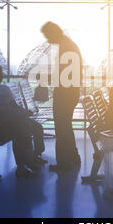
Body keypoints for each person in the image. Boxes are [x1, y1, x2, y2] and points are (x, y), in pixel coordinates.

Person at [0, 64, 46, 175]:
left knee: (33, 127)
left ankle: (30, 159)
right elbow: (12, 106)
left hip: (10, 120)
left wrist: (24, 113)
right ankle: (27, 162)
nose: (1, 75)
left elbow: (13, 106)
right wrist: (24, 113)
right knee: (24, 131)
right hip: (1, 123)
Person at [40, 21, 82, 171]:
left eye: (46, 35)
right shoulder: (69, 44)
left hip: (65, 93)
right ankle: (73, 157)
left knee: (61, 127)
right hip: (71, 92)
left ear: (53, 33)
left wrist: (43, 77)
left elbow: (63, 74)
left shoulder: (65, 47)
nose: (46, 38)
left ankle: (64, 162)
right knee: (66, 127)